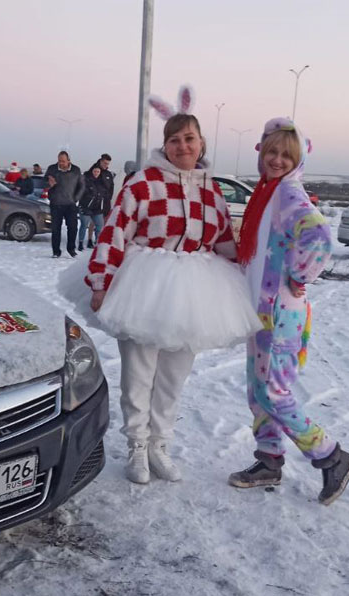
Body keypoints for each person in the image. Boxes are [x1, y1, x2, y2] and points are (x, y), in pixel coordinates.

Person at [84, 89, 261, 484]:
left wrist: (257, 274)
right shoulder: (143, 183)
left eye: (190, 139)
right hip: (143, 285)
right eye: (174, 139)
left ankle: (159, 445)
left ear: (201, 144)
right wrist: (100, 281)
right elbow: (114, 233)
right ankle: (136, 447)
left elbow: (225, 244)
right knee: (139, 373)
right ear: (165, 145)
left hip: (194, 291)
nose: (182, 146)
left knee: (173, 376)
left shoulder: (211, 191)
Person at [228, 118, 349, 505]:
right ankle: (269, 459)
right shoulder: (267, 193)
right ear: (261, 151)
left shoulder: (288, 194)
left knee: (273, 391)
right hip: (261, 311)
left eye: (287, 154)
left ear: (297, 160)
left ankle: (331, 456)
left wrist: (300, 274)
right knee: (258, 391)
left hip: (281, 312)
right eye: (272, 151)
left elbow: (319, 236)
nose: (277, 159)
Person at [45, 151, 84, 258]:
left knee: (72, 228)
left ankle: (71, 249)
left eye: (63, 161)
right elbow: (43, 182)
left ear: (68, 161)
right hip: (56, 203)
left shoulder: (76, 170)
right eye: (59, 161)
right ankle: (56, 251)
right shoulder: (52, 169)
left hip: (70, 204)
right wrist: (49, 184)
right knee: (55, 229)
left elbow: (82, 186)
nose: (60, 163)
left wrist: (75, 199)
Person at [78, 164, 106, 250]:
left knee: (99, 226)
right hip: (86, 206)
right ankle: (80, 243)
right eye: (95, 171)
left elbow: (105, 192)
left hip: (97, 207)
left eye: (98, 171)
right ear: (92, 171)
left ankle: (97, 242)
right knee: (84, 225)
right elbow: (80, 192)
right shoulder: (86, 180)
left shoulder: (102, 181)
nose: (96, 173)